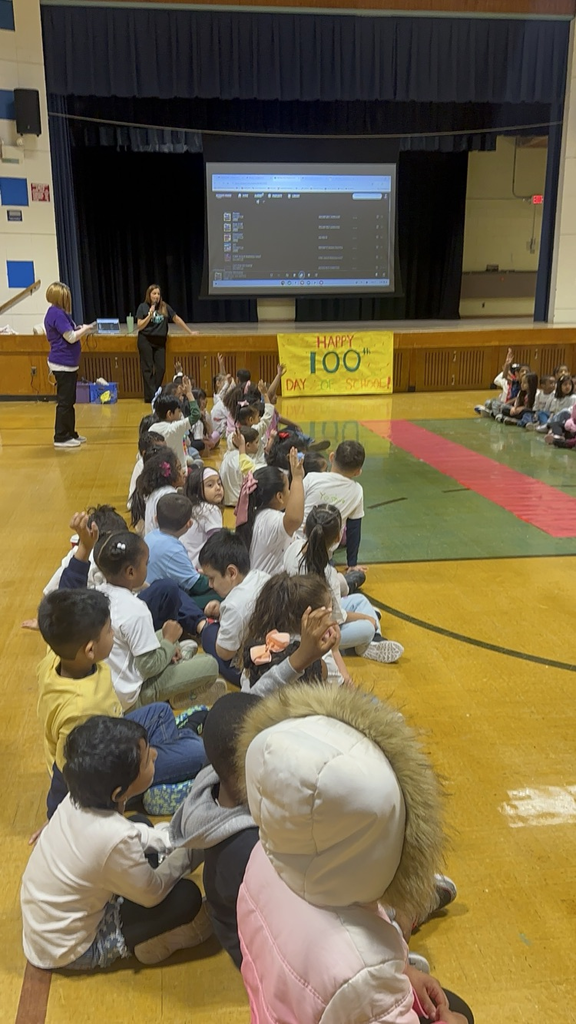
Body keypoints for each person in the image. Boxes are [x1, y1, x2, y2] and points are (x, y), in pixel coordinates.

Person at [236, 682, 474, 1024]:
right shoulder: (363, 970)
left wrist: (403, 972)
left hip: (279, 1008)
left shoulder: (264, 854)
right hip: (346, 993)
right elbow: (357, 979)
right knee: (462, 1013)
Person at [21, 716, 212, 970]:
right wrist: (191, 850)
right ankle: (147, 946)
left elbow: (128, 835)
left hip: (46, 930)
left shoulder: (79, 795)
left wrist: (170, 838)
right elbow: (153, 893)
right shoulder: (113, 836)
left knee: (140, 824)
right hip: (71, 949)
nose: (155, 755)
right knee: (186, 898)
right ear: (118, 792)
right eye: (147, 760)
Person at [36, 588, 206, 820]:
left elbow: (59, 618)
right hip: (106, 774)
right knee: (200, 751)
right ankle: (142, 789)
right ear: (90, 649)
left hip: (113, 732)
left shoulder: (59, 657)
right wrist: (55, 817)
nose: (113, 633)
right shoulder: (81, 710)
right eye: (109, 630)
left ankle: (157, 775)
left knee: (161, 712)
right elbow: (66, 769)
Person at [59, 514, 220, 711]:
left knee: (165, 635)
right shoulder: (136, 609)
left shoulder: (98, 593)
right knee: (209, 665)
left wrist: (167, 642)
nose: (147, 567)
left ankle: (173, 655)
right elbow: (148, 667)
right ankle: (172, 694)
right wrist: (168, 642)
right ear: (130, 572)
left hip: (113, 679)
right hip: (131, 698)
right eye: (146, 564)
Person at [284, 503, 404, 667]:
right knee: (369, 626)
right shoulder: (328, 574)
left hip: (289, 621)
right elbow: (336, 619)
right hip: (308, 636)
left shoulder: (293, 549)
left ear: (304, 529)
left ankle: (371, 640)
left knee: (359, 599)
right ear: (338, 538)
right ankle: (371, 640)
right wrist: (366, 618)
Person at [198, 529, 270, 686]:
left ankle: (204, 626)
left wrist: (217, 624)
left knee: (208, 634)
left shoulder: (233, 605)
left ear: (231, 573)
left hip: (254, 673)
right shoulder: (262, 576)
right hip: (276, 656)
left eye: (211, 578)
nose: (210, 585)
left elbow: (225, 653)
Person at [146, 493, 221, 610]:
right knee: (224, 592)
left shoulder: (150, 536)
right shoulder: (173, 549)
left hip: (150, 593)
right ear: (189, 524)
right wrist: (217, 577)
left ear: (156, 519)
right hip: (162, 602)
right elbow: (197, 585)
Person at [44, 282, 96, 449]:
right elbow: (71, 337)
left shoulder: (59, 313)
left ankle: (70, 432)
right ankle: (61, 436)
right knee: (65, 402)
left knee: (69, 401)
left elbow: (70, 331)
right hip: (62, 364)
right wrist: (85, 329)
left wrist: (80, 328)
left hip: (69, 364)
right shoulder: (56, 314)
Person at [235, 451, 304, 575]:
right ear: (279, 497)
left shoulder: (257, 514)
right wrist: (297, 478)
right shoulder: (270, 519)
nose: (290, 492)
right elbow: (294, 519)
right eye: (288, 489)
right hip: (266, 585)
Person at [303, 440, 366, 571]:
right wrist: (352, 564)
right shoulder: (357, 491)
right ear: (358, 472)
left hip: (296, 544)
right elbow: (354, 529)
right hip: (325, 555)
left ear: (331, 457)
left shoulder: (311, 478)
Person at [136, 284, 198, 402]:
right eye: (154, 293)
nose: (156, 296)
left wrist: (190, 332)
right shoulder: (143, 307)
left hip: (160, 342)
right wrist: (149, 315)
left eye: (158, 294)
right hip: (146, 340)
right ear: (149, 295)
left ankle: (154, 392)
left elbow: (176, 319)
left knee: (161, 368)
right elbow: (139, 326)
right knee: (147, 369)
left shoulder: (164, 307)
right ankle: (150, 397)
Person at [130, 447, 186, 535]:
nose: (183, 471)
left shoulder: (157, 491)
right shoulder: (169, 495)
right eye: (178, 468)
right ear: (168, 474)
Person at [181, 466, 225, 569]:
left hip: (185, 564)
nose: (218, 488)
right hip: (198, 568)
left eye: (219, 483)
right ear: (197, 490)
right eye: (210, 485)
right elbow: (217, 543)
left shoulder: (192, 508)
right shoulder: (210, 509)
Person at [150, 393, 201, 470]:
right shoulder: (175, 427)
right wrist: (189, 393)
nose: (180, 414)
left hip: (160, 470)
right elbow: (196, 415)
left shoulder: (152, 428)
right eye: (179, 411)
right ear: (170, 414)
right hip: (180, 472)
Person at [220, 426, 259, 506]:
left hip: (225, 500)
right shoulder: (246, 461)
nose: (258, 445)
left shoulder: (227, 456)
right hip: (240, 503)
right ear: (247, 445)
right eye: (256, 442)